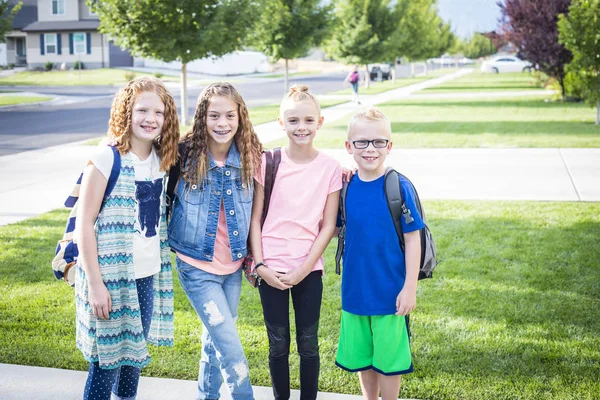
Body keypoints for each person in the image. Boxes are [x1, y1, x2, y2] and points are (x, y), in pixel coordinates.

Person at [75, 76, 180, 400]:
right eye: (142, 110)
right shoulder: (107, 158)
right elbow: (84, 223)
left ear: (167, 119)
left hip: (146, 275)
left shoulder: (162, 160)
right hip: (109, 277)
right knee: (107, 361)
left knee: (133, 356)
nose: (151, 119)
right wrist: (96, 285)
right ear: (126, 113)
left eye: (159, 113)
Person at [167, 82, 263, 399]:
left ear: (240, 117)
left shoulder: (251, 155)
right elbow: (161, 196)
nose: (222, 124)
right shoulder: (184, 155)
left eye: (229, 116)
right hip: (196, 266)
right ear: (202, 118)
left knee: (216, 338)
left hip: (232, 266)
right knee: (231, 347)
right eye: (214, 116)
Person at [249, 85, 342, 400]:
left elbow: (328, 225)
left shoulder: (330, 168)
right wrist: (260, 265)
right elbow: (255, 217)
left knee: (308, 343)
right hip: (270, 268)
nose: (301, 127)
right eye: (293, 121)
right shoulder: (268, 161)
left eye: (307, 120)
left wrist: (304, 270)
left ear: (320, 122)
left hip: (308, 269)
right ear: (280, 123)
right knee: (277, 344)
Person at [334, 107, 424, 400]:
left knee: (389, 361)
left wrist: (410, 287)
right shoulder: (345, 188)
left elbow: (413, 240)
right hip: (355, 291)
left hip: (390, 293)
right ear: (349, 147)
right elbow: (337, 229)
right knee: (363, 358)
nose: (370, 149)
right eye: (361, 142)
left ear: (389, 146)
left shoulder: (398, 187)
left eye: (378, 142)